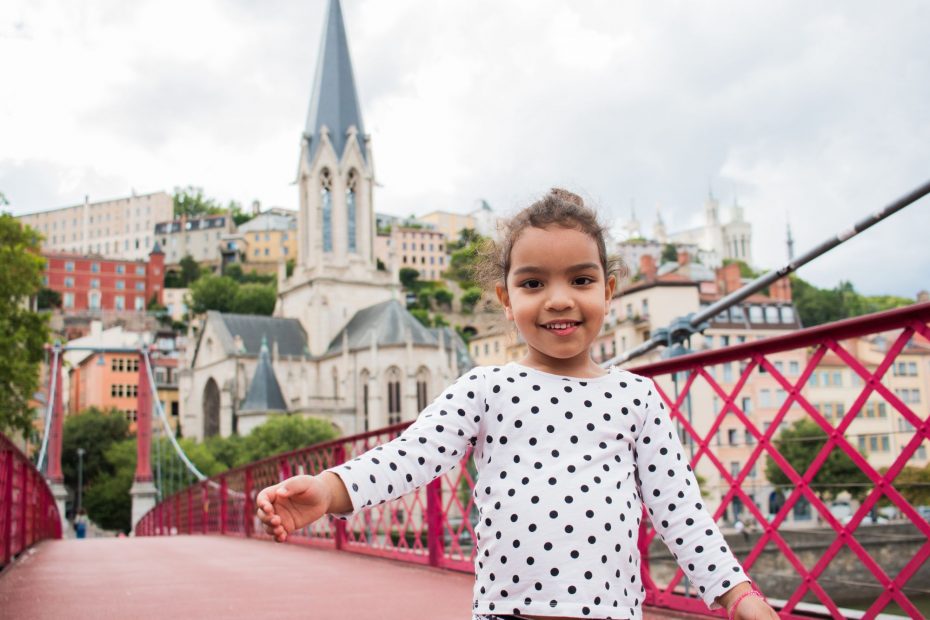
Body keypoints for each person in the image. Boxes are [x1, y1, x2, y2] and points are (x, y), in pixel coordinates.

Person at [257, 189, 777, 620]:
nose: (558, 299)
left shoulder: (636, 396)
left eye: (581, 280)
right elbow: (407, 458)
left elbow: (679, 511)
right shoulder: (485, 388)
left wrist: (740, 594)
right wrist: (327, 490)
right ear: (506, 300)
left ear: (609, 290)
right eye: (532, 283)